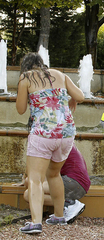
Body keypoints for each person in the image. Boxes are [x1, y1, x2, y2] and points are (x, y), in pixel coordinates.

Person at [16, 53, 84, 234]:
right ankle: (59, 216)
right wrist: (71, 100)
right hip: (66, 133)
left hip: (43, 133)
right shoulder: (60, 75)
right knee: (54, 175)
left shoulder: (26, 77)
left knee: (35, 178)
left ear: (26, 67)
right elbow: (81, 96)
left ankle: (36, 223)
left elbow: (21, 109)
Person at [20, 144, 90, 224]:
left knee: (28, 194)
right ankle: (68, 203)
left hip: (73, 183)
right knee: (29, 187)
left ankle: (69, 204)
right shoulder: (60, 141)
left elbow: (37, 171)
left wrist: (27, 178)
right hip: (78, 184)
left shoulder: (50, 145)